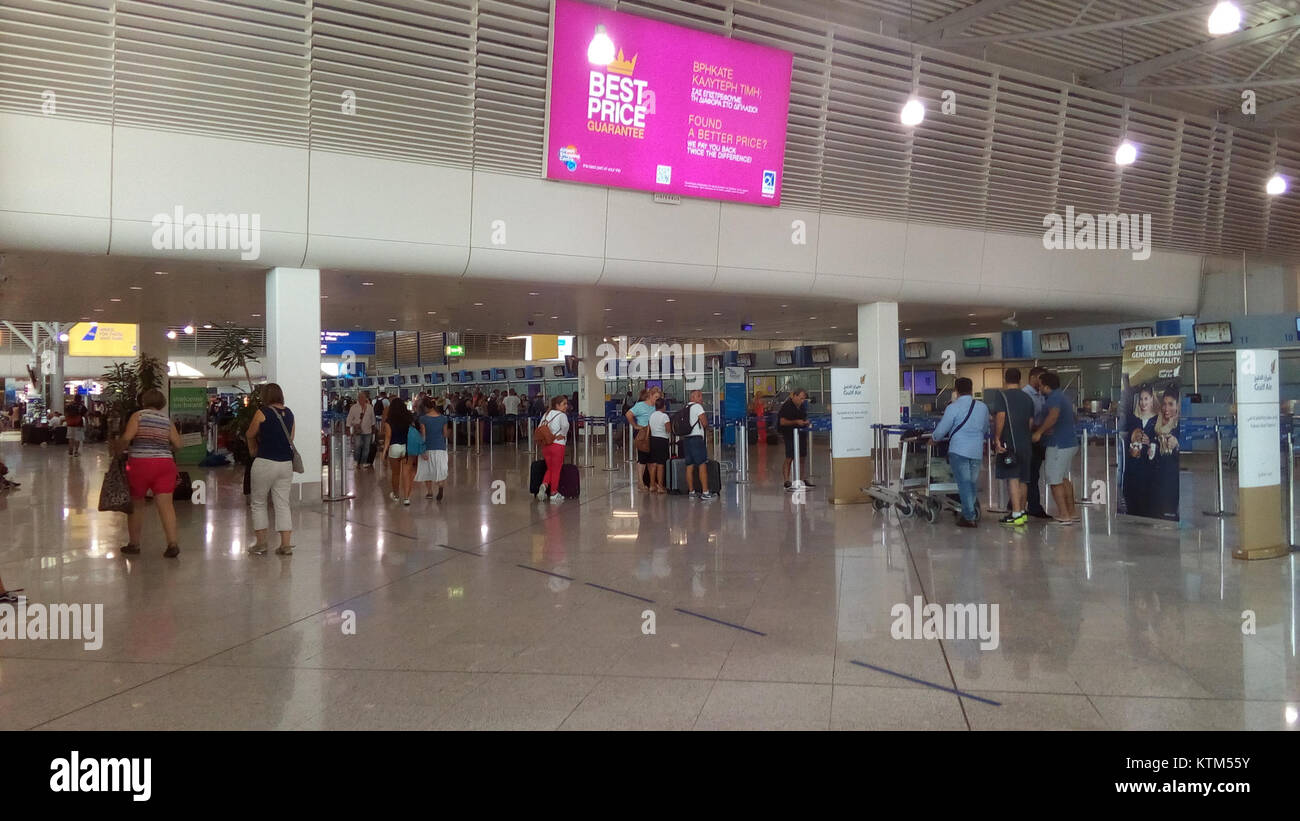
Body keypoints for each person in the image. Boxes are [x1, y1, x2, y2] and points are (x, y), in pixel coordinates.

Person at [117, 389, 184, 557]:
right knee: (166, 506)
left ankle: (134, 544)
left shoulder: (138, 416)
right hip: (165, 464)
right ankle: (172, 543)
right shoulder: (166, 420)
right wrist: (165, 449)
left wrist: (118, 449)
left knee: (137, 505)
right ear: (162, 403)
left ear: (143, 401)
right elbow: (178, 444)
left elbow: (127, 437)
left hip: (140, 463)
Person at [930, 377, 990, 528]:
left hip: (959, 450)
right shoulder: (982, 407)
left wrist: (934, 438)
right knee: (971, 483)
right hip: (976, 450)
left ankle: (969, 516)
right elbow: (985, 428)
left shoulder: (953, 407)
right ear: (971, 389)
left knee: (963, 483)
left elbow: (943, 428)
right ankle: (971, 512)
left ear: (955, 391)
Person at [245, 383, 297, 555]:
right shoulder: (289, 414)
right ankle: (285, 545)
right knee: (282, 503)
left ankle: (261, 544)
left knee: (258, 503)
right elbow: (291, 438)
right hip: (286, 464)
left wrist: (253, 448)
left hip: (265, 462)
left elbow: (249, 434)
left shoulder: (262, 413)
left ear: (266, 396)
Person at [986, 368, 1035, 526]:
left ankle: (1015, 514)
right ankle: (1022, 511)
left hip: (1010, 444)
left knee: (1012, 478)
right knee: (1024, 479)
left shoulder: (1002, 396)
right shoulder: (1028, 398)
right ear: (1020, 380)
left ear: (1005, 380)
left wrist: (997, 438)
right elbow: (1030, 422)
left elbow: (1001, 417)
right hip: (1026, 443)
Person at [1033, 372, 1080, 526]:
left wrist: (1039, 432)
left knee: (1054, 479)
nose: (1038, 387)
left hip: (1058, 445)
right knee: (1064, 478)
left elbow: (1053, 416)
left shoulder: (1054, 398)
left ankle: (1064, 515)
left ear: (1046, 386)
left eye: (1040, 385)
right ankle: (1071, 513)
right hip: (1069, 443)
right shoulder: (1062, 397)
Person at [1123, 384, 1158, 518]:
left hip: (1149, 471)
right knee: (1132, 498)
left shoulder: (1157, 420)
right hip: (1133, 468)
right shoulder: (1133, 419)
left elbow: (1162, 443)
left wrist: (1150, 443)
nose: (1143, 402)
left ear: (1151, 399)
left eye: (1146, 399)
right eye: (1141, 399)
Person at [1023, 367, 1050, 518]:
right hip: (1030, 438)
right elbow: (1028, 419)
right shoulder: (1026, 395)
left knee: (1033, 474)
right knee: (1030, 474)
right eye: (1041, 378)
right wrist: (1041, 427)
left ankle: (1021, 502)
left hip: (1039, 439)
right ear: (1033, 377)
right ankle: (1033, 506)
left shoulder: (1040, 395)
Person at [1151, 388, 1181, 520]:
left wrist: (1177, 444)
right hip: (1155, 478)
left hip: (1171, 479)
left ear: (1177, 406)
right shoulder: (1155, 424)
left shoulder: (1178, 427)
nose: (1166, 408)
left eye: (1171, 404)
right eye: (1164, 404)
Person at [415, 399, 451, 501]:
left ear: (426, 408)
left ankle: (430, 492)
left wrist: (421, 449)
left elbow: (423, 435)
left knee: (427, 470)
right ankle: (440, 486)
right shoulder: (443, 418)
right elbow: (445, 434)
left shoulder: (423, 419)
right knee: (440, 469)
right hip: (440, 447)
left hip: (428, 447)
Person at [682, 388, 715, 501]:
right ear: (693, 397)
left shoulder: (686, 407)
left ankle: (691, 492)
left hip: (686, 439)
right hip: (696, 439)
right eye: (699, 396)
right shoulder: (697, 407)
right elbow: (704, 423)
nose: (701, 399)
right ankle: (705, 492)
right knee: (702, 464)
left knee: (689, 466)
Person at [381, 396, 415, 505]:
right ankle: (406, 498)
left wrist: (384, 452)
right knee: (407, 473)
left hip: (394, 448)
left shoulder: (389, 421)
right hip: (406, 447)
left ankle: (396, 495)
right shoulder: (408, 418)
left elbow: (388, 437)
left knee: (395, 474)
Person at [537, 395, 570, 503]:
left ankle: (544, 484)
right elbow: (565, 426)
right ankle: (554, 493)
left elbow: (540, 427)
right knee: (556, 470)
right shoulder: (562, 415)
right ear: (557, 405)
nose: (566, 406)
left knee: (550, 468)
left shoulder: (546, 414)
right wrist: (563, 435)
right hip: (558, 445)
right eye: (564, 404)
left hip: (546, 446)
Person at [779, 388, 813, 489]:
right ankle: (786, 480)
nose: (802, 401)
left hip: (801, 433)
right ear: (794, 396)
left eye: (803, 399)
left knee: (802, 457)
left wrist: (805, 422)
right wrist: (796, 422)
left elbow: (803, 417)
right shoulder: (787, 406)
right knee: (789, 457)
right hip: (789, 434)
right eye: (801, 398)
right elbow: (782, 422)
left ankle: (802, 479)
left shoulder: (802, 406)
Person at [626, 389, 655, 488]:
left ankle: (651, 482)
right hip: (643, 433)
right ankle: (640, 482)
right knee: (642, 458)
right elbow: (628, 414)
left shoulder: (655, 406)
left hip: (653, 433)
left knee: (651, 459)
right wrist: (635, 426)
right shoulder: (640, 405)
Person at [346, 391, 376, 469]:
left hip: (368, 431)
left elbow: (373, 420)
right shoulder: (354, 407)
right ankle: (356, 461)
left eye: (363, 397)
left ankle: (363, 462)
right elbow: (349, 419)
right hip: (358, 431)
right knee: (357, 446)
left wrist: (373, 432)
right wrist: (348, 429)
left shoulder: (370, 407)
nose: (361, 399)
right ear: (358, 398)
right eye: (360, 397)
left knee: (366, 447)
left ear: (365, 398)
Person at [647, 396, 671, 493]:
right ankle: (660, 486)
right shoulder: (664, 416)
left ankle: (652, 485)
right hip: (662, 441)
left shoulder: (652, 415)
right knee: (661, 464)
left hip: (653, 440)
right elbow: (668, 429)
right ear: (664, 406)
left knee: (653, 464)